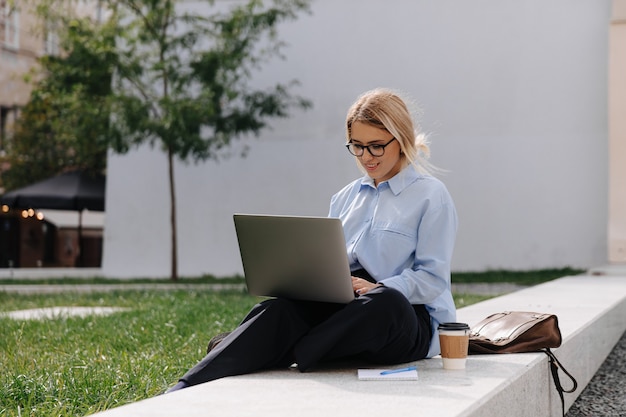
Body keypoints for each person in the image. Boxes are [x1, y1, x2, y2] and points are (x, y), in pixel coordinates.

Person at [165, 88, 458, 393]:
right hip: (344, 310)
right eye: (356, 147)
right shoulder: (345, 198)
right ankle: (182, 389)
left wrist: (381, 287)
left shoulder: (430, 196)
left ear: (401, 140)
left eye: (376, 147)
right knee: (282, 309)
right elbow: (329, 260)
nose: (366, 157)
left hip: (403, 316)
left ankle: (278, 349)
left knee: (386, 304)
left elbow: (432, 279)